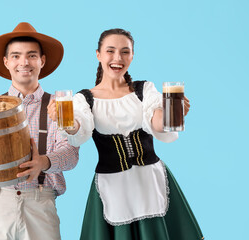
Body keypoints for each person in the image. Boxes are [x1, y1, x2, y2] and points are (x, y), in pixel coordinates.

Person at [48, 28, 204, 239]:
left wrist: (172, 114)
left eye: (125, 52)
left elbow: (157, 124)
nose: (117, 58)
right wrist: (63, 121)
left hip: (151, 181)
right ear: (98, 55)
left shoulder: (144, 90)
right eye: (110, 51)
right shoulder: (84, 99)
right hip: (113, 187)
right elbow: (78, 130)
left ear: (132, 55)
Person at [0, 22, 79, 240]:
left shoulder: (60, 105)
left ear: (42, 61)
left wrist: (44, 162)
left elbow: (71, 155)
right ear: (6, 62)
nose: (24, 62)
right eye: (16, 56)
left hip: (40, 205)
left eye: (31, 55)